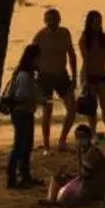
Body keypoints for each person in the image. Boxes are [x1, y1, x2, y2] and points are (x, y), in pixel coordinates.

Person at [31, 8, 80, 150]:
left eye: (54, 18)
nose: (51, 22)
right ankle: (46, 144)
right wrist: (33, 77)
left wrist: (75, 76)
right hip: (45, 76)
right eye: (48, 19)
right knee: (48, 111)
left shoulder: (65, 33)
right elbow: (30, 56)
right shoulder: (40, 35)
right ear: (45, 21)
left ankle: (62, 141)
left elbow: (72, 55)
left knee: (72, 108)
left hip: (61, 75)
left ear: (59, 19)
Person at [77, 10, 105, 147]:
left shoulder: (103, 37)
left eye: (99, 21)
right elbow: (85, 60)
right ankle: (93, 134)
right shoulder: (85, 38)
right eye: (95, 21)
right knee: (92, 108)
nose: (98, 24)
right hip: (89, 75)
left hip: (103, 74)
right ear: (89, 23)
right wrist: (85, 80)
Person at [2, 43, 42, 189]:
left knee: (25, 145)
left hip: (23, 112)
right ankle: (13, 177)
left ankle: (24, 176)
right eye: (38, 58)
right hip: (22, 113)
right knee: (21, 145)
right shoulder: (25, 75)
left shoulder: (25, 74)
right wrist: (39, 100)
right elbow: (22, 96)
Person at [43, 124, 105, 208]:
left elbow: (84, 175)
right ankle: (52, 200)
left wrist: (69, 175)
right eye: (77, 137)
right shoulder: (88, 151)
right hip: (90, 186)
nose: (79, 140)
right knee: (59, 178)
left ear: (89, 137)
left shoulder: (92, 153)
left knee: (59, 180)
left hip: (91, 189)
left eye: (82, 137)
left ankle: (53, 200)